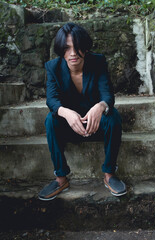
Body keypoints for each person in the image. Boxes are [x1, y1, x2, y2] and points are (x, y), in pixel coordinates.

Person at [38, 22, 127, 201]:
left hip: (96, 125)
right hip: (70, 126)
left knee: (113, 116)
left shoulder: (98, 61)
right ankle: (61, 178)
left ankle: (109, 174)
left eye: (77, 47)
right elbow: (52, 100)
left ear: (85, 48)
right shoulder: (52, 67)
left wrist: (100, 106)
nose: (72, 53)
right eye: (67, 48)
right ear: (61, 50)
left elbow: (107, 94)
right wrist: (66, 112)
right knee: (50, 120)